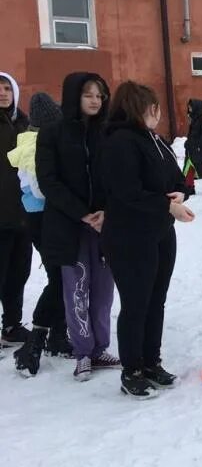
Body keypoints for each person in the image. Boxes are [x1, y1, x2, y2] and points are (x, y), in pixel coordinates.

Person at [100, 81, 194, 398]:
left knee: (157, 299)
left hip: (160, 231)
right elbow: (127, 191)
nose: (158, 113)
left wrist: (180, 191)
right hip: (130, 235)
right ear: (139, 108)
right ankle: (133, 369)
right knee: (137, 303)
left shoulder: (154, 139)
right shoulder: (121, 141)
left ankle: (151, 361)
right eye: (153, 107)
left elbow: (174, 174)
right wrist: (167, 206)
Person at [35, 72, 119, 381]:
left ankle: (100, 348)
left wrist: (107, 212)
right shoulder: (52, 133)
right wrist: (83, 214)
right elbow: (49, 182)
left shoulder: (109, 133)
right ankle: (82, 350)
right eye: (89, 95)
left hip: (105, 225)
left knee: (103, 290)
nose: (96, 100)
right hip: (70, 225)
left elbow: (117, 176)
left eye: (100, 95)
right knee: (76, 289)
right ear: (74, 97)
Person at [8, 92, 73, 374]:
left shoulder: (30, 141)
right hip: (43, 219)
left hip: (42, 219)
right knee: (59, 279)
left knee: (58, 276)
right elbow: (39, 188)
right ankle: (33, 343)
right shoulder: (35, 146)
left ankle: (58, 336)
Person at [0, 71, 32, 349]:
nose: (2, 93)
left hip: (23, 214)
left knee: (18, 272)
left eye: (7, 89)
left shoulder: (25, 124)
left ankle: (11, 325)